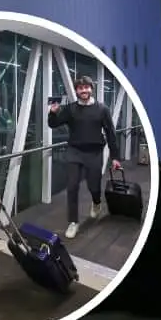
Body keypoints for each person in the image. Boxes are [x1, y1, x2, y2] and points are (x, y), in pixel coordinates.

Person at [47, 75, 121, 239]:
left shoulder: (102, 109)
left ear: (91, 89)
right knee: (72, 186)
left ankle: (96, 202)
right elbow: (53, 124)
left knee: (93, 185)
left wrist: (115, 157)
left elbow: (110, 133)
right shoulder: (70, 109)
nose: (84, 90)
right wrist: (52, 113)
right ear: (76, 91)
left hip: (94, 153)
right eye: (80, 88)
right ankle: (73, 222)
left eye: (86, 87)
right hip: (74, 152)